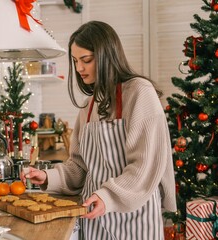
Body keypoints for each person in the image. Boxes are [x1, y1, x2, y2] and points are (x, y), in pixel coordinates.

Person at [21, 21, 177, 239]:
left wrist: (108, 196)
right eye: (75, 61)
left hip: (134, 218)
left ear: (107, 55)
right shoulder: (90, 104)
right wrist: (47, 177)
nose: (79, 68)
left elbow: (145, 165)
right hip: (94, 216)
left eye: (86, 60)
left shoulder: (139, 93)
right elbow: (79, 165)